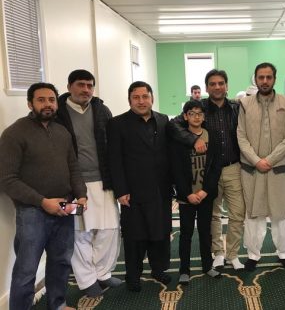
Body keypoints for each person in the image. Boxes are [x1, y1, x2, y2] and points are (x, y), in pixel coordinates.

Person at [0, 83, 87, 310]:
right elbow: (7, 179)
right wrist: (42, 202)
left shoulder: (62, 132)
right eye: (41, 100)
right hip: (32, 212)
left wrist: (82, 195)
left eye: (51, 99)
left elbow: (73, 167)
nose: (47, 104)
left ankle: (57, 304)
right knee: (26, 270)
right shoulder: (14, 133)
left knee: (60, 262)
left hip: (65, 209)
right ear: (30, 103)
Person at [169, 69, 245, 270]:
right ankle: (218, 253)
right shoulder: (198, 108)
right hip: (207, 171)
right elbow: (173, 126)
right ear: (206, 87)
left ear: (226, 86)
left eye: (221, 83)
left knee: (238, 214)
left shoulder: (236, 108)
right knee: (213, 215)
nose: (217, 87)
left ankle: (233, 254)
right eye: (213, 84)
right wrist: (193, 139)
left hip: (232, 168)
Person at [56, 69, 121, 297]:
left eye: (89, 85)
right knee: (77, 232)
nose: (86, 90)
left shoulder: (102, 110)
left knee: (109, 229)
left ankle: (103, 274)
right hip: (72, 185)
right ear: (69, 87)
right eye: (81, 85)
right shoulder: (58, 113)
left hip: (103, 182)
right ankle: (87, 281)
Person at [107, 81, 173, 292]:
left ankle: (159, 269)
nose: (141, 101)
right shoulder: (117, 124)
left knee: (161, 232)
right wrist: (120, 190)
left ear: (152, 98)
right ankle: (133, 276)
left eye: (145, 96)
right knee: (135, 236)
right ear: (130, 100)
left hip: (160, 189)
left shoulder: (163, 120)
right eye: (136, 97)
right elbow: (114, 160)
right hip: (132, 191)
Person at [237, 62, 285, 271]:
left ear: (274, 78)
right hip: (252, 169)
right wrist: (256, 160)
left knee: (281, 212)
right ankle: (253, 254)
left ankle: (284, 253)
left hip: (277, 168)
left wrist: (269, 160)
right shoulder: (244, 104)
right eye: (261, 77)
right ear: (255, 78)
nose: (264, 81)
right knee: (254, 213)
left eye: (268, 77)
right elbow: (241, 136)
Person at [169, 100, 222, 285]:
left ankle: (208, 266)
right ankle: (184, 269)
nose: (196, 117)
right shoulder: (180, 138)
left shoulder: (212, 136)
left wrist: (206, 190)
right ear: (185, 116)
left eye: (199, 113)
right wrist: (186, 194)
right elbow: (175, 170)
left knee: (205, 232)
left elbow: (215, 167)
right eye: (192, 113)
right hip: (187, 197)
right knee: (185, 234)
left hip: (205, 195)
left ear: (204, 116)